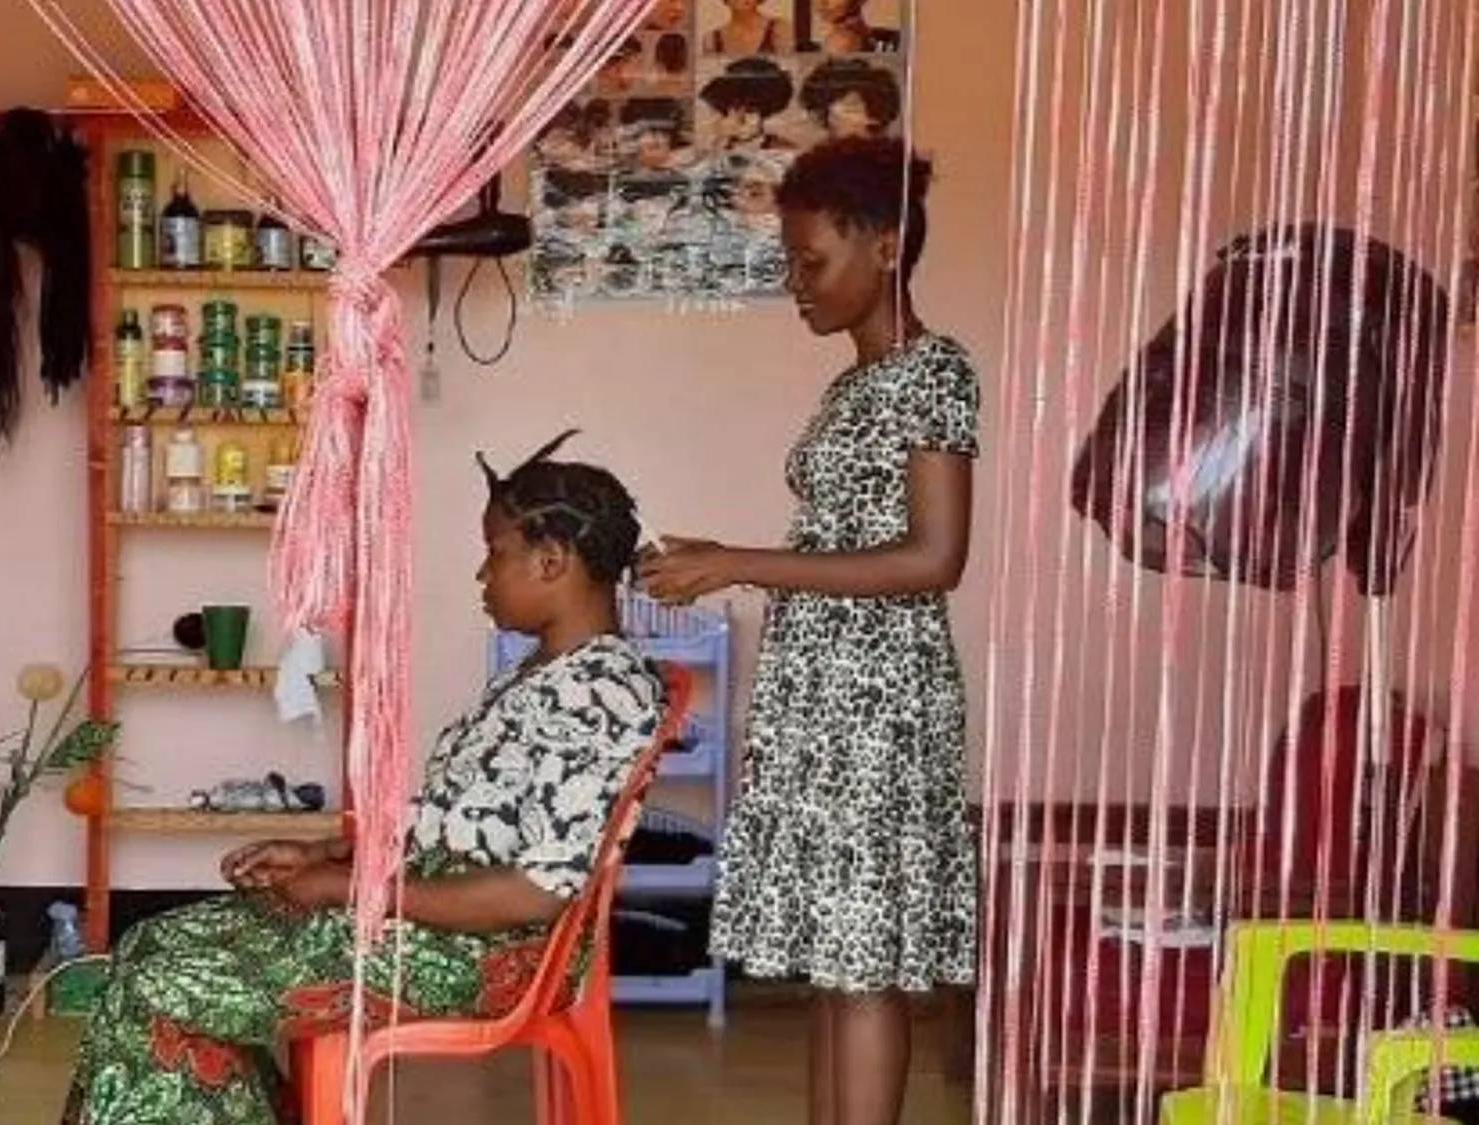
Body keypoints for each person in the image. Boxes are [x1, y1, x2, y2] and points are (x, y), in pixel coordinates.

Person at [62, 434, 670, 1125]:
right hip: (431, 914)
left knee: (161, 984)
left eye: (494, 553)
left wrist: (353, 890)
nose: (481, 574)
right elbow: (457, 818)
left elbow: (533, 891)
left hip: (488, 950)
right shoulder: (540, 676)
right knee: (149, 944)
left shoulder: (600, 694)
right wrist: (329, 857)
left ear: (551, 559)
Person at [636, 136, 978, 1125]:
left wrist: (740, 561)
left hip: (880, 705)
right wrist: (722, 550)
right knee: (838, 960)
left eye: (811, 259)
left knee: (865, 963)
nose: (795, 283)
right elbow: (843, 536)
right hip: (824, 698)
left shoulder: (933, 371)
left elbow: (934, 559)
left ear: (884, 245)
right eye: (788, 261)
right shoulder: (852, 387)